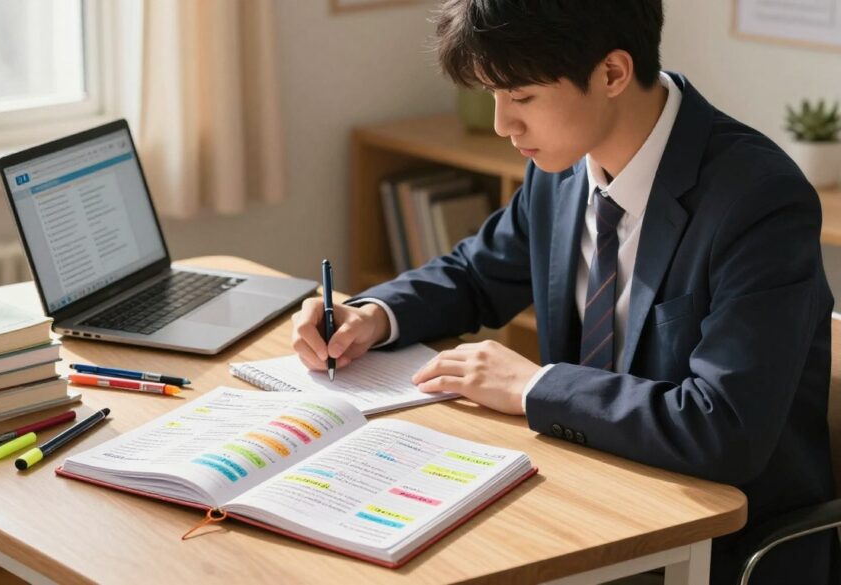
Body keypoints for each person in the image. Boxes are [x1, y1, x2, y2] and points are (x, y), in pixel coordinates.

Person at [290, 1, 838, 582]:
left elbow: (723, 427)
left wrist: (533, 385)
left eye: (522, 98)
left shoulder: (758, 201)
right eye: (492, 96)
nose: (503, 125)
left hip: (712, 547)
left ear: (611, 74)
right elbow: (478, 274)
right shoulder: (563, 166)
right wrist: (374, 314)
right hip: (581, 498)